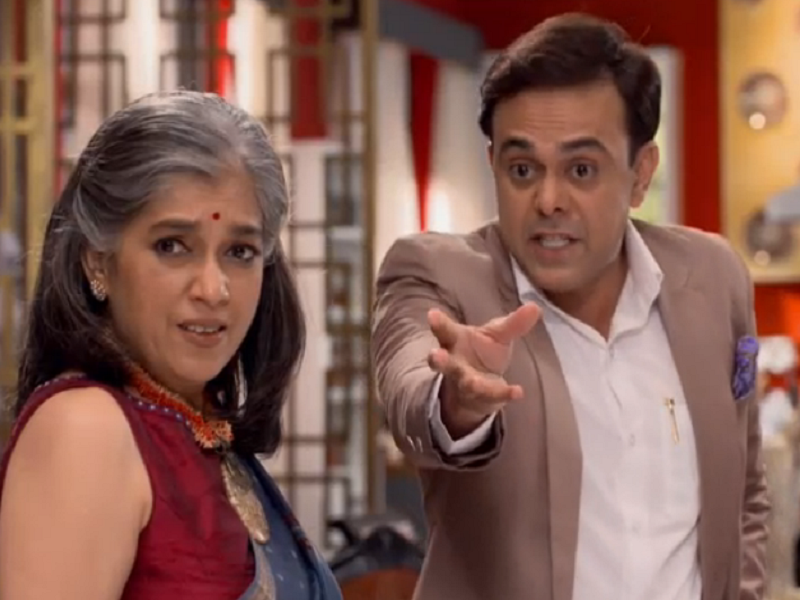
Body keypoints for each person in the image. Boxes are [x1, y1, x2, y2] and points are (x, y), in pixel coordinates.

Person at [372, 13, 769, 600]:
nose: (549, 200)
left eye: (581, 169)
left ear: (641, 174)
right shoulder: (439, 274)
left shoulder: (712, 277)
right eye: (523, 169)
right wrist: (455, 403)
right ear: (493, 166)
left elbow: (745, 495)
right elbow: (410, 383)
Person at [0, 91, 342, 600]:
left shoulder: (201, 431)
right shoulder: (86, 429)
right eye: (172, 246)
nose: (213, 289)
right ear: (98, 261)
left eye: (240, 252)